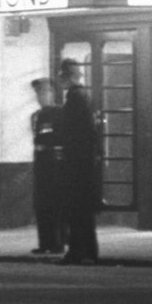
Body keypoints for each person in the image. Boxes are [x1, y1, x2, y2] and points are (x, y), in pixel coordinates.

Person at [55, 58, 99, 263]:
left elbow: (75, 132)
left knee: (75, 209)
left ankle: (77, 251)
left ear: (67, 76)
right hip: (84, 161)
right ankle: (88, 251)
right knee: (83, 210)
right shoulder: (83, 96)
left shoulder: (74, 98)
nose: (59, 80)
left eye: (61, 76)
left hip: (76, 162)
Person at [30, 77, 63, 257]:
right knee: (41, 206)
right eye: (38, 93)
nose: (41, 97)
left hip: (54, 166)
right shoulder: (39, 115)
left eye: (44, 92)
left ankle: (57, 243)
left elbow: (57, 139)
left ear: (52, 93)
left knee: (54, 206)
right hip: (41, 167)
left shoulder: (59, 114)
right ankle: (45, 243)